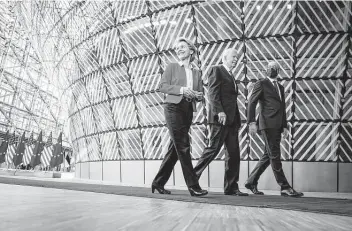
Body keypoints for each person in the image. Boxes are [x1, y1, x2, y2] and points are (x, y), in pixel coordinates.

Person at [151, 37, 208, 197]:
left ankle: (158, 182)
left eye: (182, 46)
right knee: (183, 146)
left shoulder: (196, 72)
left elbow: (199, 94)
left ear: (191, 50)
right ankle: (193, 186)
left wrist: (197, 95)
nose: (179, 49)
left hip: (187, 109)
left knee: (174, 150)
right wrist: (183, 90)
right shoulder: (172, 67)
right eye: (177, 48)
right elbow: (162, 86)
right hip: (173, 108)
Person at [193, 48, 248, 196]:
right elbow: (212, 93)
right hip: (220, 119)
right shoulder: (216, 70)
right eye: (233, 56)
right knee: (213, 149)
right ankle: (192, 179)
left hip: (232, 121)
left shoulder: (231, 75)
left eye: (237, 57)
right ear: (224, 57)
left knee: (234, 154)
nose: (236, 59)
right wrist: (220, 112)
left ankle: (231, 187)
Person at [245, 61, 303, 197]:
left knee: (268, 155)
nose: (272, 69)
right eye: (270, 67)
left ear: (278, 70)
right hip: (267, 124)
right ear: (266, 70)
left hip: (277, 125)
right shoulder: (261, 83)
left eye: (275, 67)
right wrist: (251, 122)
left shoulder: (281, 87)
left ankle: (251, 181)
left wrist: (284, 127)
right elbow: (252, 102)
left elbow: (283, 108)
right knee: (275, 155)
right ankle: (284, 186)